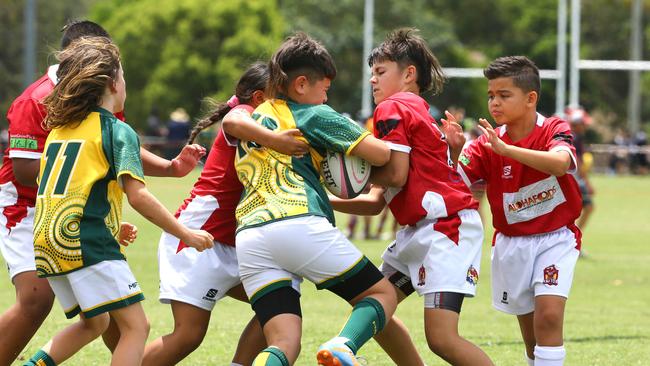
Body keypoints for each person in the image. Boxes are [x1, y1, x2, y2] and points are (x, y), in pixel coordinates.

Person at [0, 20, 206, 365]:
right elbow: (126, 185)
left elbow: (94, 159)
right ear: (108, 80)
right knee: (134, 327)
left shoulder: (65, 122)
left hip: (57, 222)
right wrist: (184, 232)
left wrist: (169, 168)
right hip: (46, 216)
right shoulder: (38, 101)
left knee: (96, 321)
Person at [223, 32, 397, 366]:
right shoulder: (315, 115)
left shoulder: (259, 116)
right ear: (302, 84)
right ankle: (344, 347)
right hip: (296, 222)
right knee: (381, 293)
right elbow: (381, 153)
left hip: (250, 235)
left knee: (283, 341)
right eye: (325, 88)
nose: (325, 96)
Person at [330, 28, 493, 366]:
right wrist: (321, 197)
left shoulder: (393, 107)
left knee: (442, 339)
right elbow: (377, 202)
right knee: (375, 301)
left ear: (408, 74)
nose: (373, 81)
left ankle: (345, 346)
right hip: (419, 230)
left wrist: (349, 175)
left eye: (380, 72)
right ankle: (344, 346)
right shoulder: (418, 109)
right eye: (371, 73)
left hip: (446, 230)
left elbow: (394, 175)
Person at [142, 62, 309, 366]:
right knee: (188, 335)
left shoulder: (267, 123)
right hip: (198, 239)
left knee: (281, 304)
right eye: (280, 96)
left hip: (235, 243)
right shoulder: (244, 117)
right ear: (258, 98)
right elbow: (235, 119)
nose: (286, 104)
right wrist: (277, 140)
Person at [457, 56, 582, 366]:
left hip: (555, 239)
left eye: (504, 95)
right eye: (491, 95)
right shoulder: (483, 144)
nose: (494, 103)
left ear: (530, 99)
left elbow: (561, 163)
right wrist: (450, 150)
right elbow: (452, 181)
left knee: (549, 317)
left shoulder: (553, 127)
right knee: (532, 336)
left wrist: (508, 151)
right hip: (511, 245)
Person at [567, 108, 595, 255]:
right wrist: (587, 183)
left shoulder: (573, 136)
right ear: (576, 124)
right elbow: (576, 161)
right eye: (583, 124)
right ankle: (572, 242)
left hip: (574, 180)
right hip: (575, 181)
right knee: (587, 208)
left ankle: (573, 241)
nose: (585, 127)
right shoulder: (574, 138)